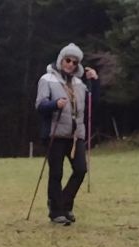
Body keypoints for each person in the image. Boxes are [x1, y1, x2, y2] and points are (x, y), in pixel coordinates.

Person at [34, 43, 100, 226]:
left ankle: (64, 204)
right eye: (67, 60)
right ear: (61, 60)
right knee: (56, 173)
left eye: (74, 61)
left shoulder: (79, 83)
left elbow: (91, 104)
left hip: (76, 135)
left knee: (80, 170)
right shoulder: (47, 79)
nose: (70, 64)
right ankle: (56, 212)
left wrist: (94, 82)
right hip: (54, 135)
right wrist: (55, 104)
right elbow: (40, 106)